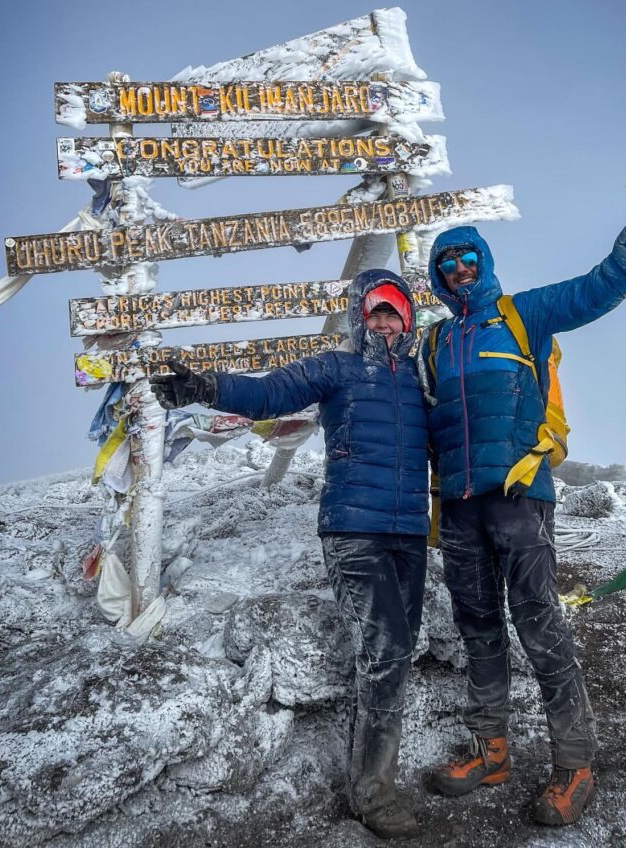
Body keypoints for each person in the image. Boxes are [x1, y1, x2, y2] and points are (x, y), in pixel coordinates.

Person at [418, 154, 626, 825]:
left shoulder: (523, 314)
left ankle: (575, 766)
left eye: (466, 256)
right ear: (437, 276)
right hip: (459, 506)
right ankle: (492, 751)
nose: (458, 268)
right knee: (478, 629)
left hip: (519, 495)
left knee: (539, 624)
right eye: (446, 262)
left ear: (483, 259)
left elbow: (598, 288)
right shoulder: (435, 344)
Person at [152, 268, 429, 840]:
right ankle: (373, 791)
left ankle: (374, 771)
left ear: (409, 317)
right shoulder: (337, 368)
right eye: (374, 310)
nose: (384, 320)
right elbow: (270, 393)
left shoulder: (423, 380)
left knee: (392, 654)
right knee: (387, 646)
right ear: (360, 316)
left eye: (393, 310)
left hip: (409, 534)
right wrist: (207, 388)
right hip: (354, 530)